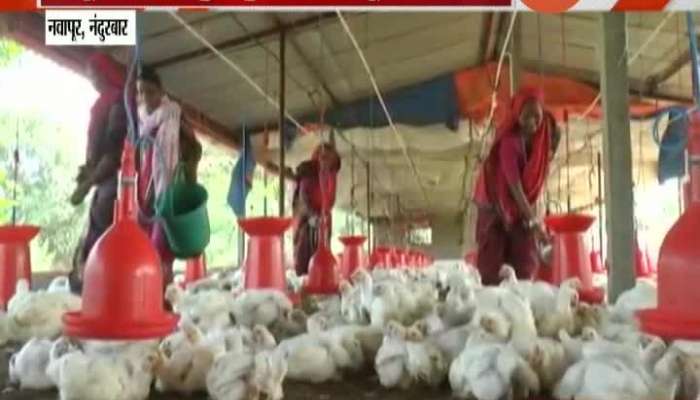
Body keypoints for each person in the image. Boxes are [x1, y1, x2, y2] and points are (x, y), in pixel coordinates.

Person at [473, 87, 561, 285]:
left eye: (536, 116)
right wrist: (534, 222)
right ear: (517, 114)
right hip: (495, 203)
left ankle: (519, 296)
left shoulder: (541, 140)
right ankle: (493, 301)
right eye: (526, 115)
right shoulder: (509, 143)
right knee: (492, 262)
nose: (532, 121)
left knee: (524, 260)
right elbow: (514, 187)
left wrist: (534, 220)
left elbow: (531, 187)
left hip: (518, 208)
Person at [136, 65, 202, 288]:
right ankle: (153, 295)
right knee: (145, 245)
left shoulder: (174, 115)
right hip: (147, 184)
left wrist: (182, 171)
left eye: (150, 92)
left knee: (160, 246)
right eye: (141, 92)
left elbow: (195, 148)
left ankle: (162, 296)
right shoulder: (143, 121)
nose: (146, 98)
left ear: (161, 91)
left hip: (169, 186)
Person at [69, 52, 128, 293]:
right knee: (97, 233)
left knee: (100, 236)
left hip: (114, 181)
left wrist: (87, 183)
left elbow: (114, 153)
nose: (90, 78)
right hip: (105, 179)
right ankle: (96, 288)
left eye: (93, 72)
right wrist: (88, 170)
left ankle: (93, 289)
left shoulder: (116, 105)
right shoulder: (106, 102)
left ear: (103, 73)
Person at [292, 143, 341, 276]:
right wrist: (312, 215)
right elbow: (303, 197)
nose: (327, 162)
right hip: (306, 220)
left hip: (323, 220)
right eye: (325, 158)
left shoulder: (331, 175)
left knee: (322, 253)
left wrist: (324, 216)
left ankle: (321, 278)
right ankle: (304, 280)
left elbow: (330, 199)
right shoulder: (308, 171)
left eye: (331, 160)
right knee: (305, 254)